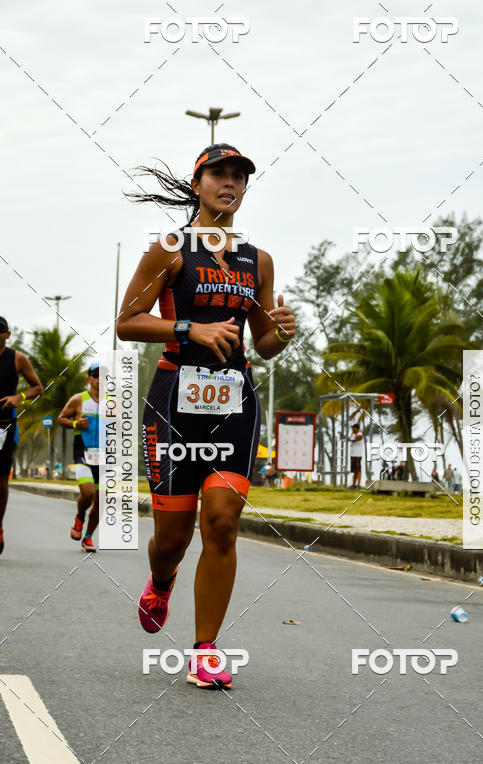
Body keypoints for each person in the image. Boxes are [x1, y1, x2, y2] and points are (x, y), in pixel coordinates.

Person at [117, 143, 296, 690]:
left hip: (234, 400)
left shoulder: (257, 260)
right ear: (198, 184)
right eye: (219, 173)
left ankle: (206, 649)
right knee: (172, 537)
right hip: (174, 399)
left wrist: (281, 331)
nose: (230, 182)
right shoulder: (169, 250)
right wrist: (189, 329)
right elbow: (127, 322)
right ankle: (161, 579)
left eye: (240, 175)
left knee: (221, 521)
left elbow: (262, 344)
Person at [0, 316, 43, 555]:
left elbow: (38, 388)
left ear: (7, 335)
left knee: (1, 482)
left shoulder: (18, 358)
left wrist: (20, 398)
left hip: (4, 426)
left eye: (0, 332)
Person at [58, 363, 101, 552]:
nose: (100, 378)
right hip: (83, 452)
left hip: (105, 455)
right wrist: (76, 423)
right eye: (96, 375)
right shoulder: (78, 399)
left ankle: (89, 537)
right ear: (89, 379)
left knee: (102, 500)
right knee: (88, 493)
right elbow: (61, 418)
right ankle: (80, 516)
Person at [348, 422, 364, 488]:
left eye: (353, 428)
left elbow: (354, 439)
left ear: (356, 428)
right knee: (354, 471)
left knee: (358, 470)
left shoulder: (360, 434)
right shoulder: (353, 435)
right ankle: (354, 484)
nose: (352, 429)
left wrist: (350, 436)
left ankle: (358, 485)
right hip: (353, 455)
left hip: (357, 455)